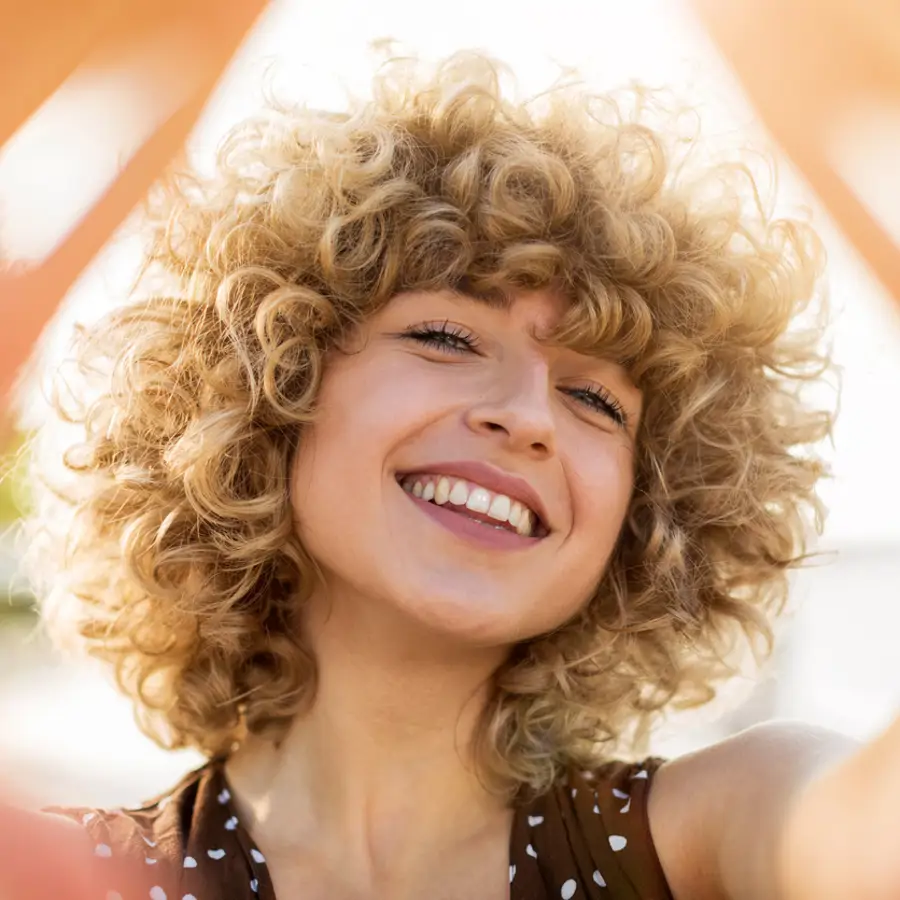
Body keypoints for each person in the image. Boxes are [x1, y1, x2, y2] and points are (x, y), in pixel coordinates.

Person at [10, 50, 896, 900]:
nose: (531, 416)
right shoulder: (71, 876)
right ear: (269, 390)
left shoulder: (711, 828)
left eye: (595, 400)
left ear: (647, 512)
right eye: (446, 337)